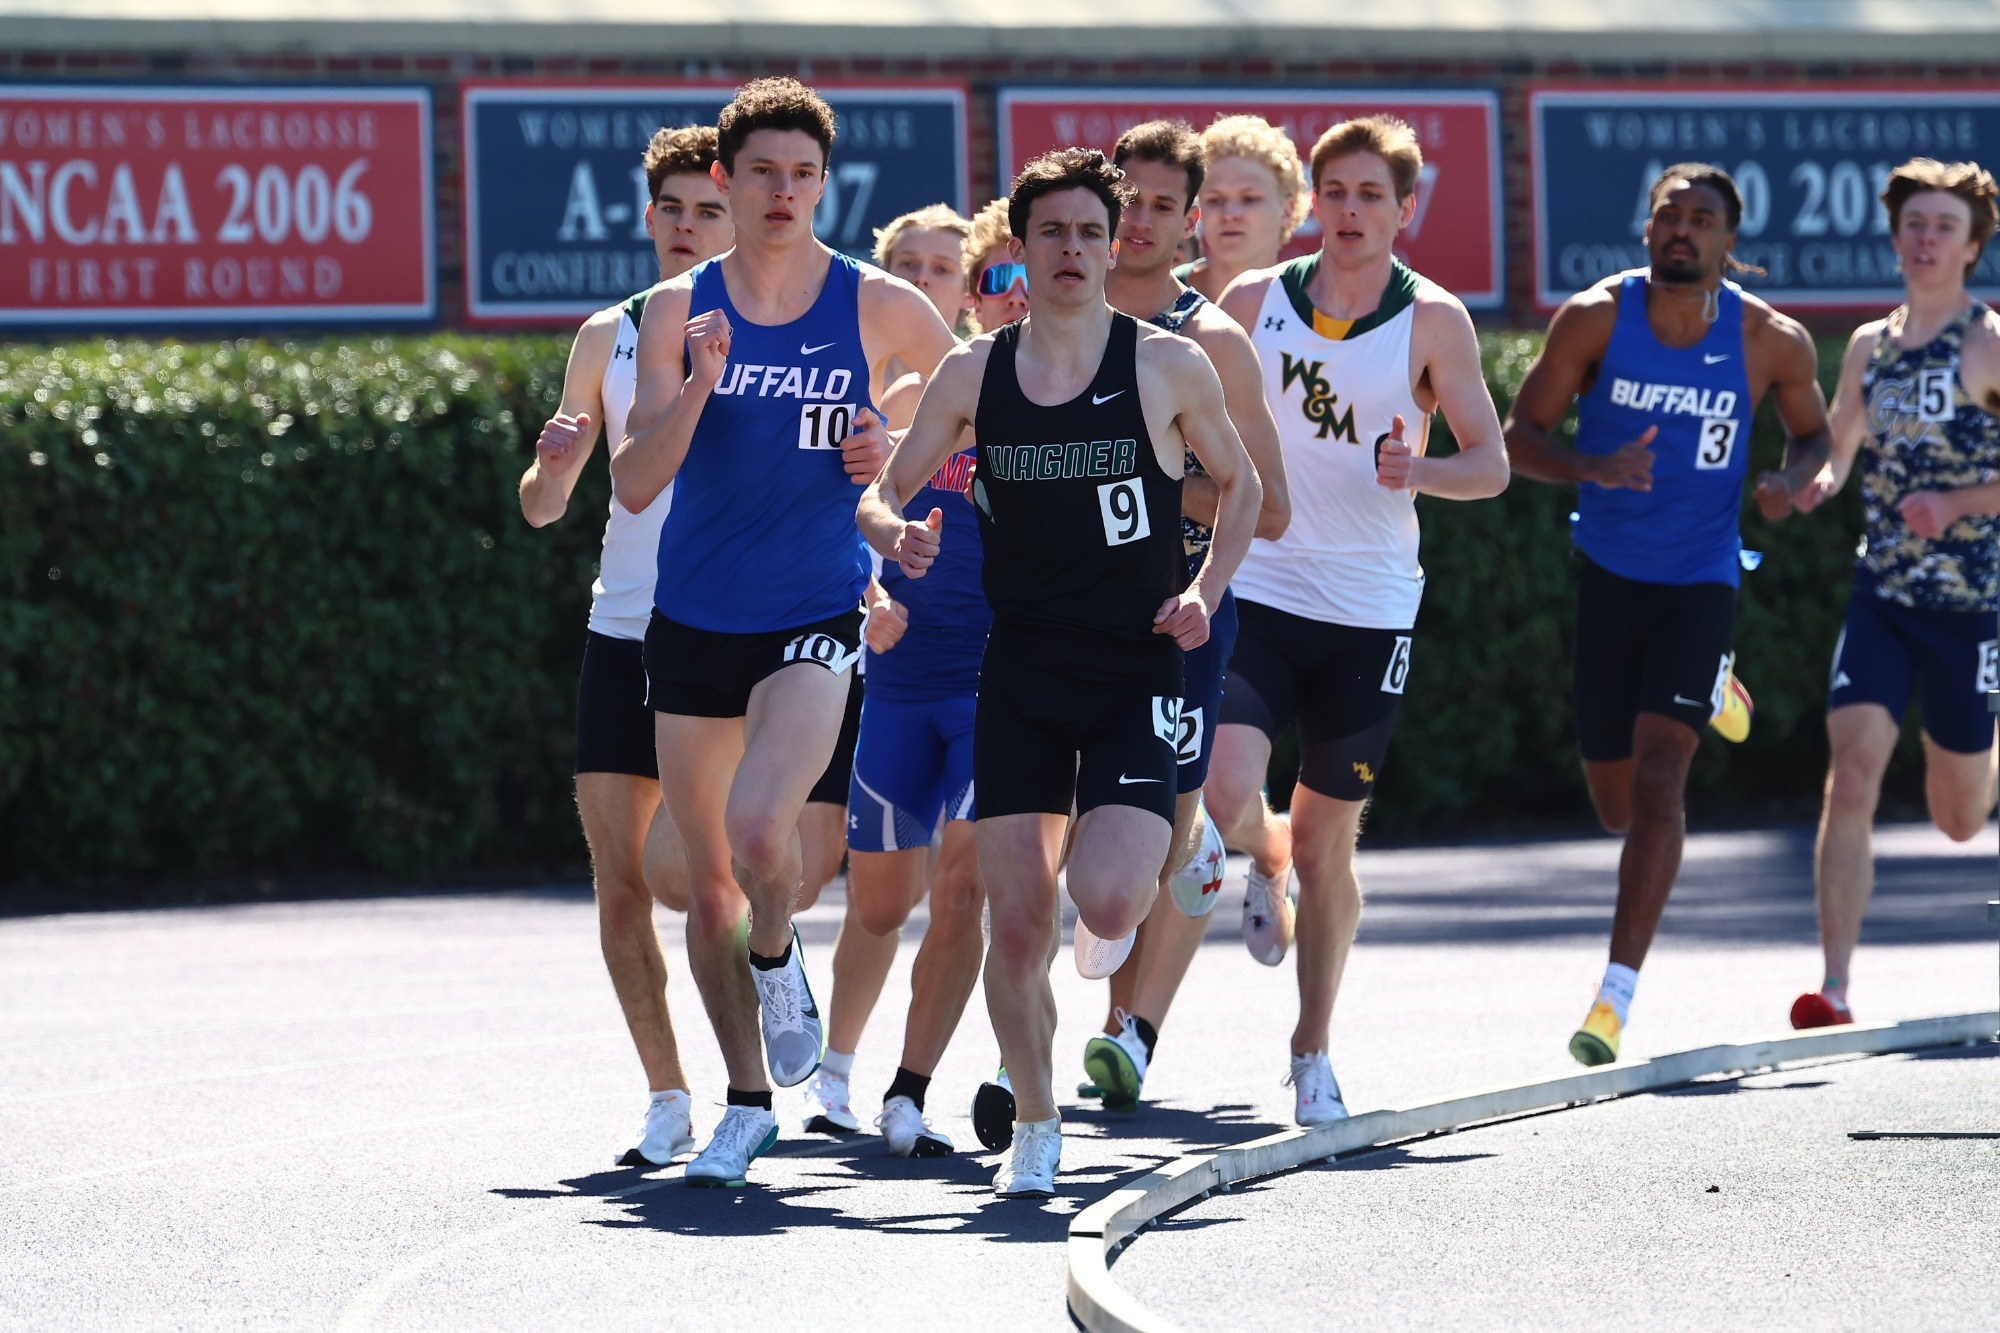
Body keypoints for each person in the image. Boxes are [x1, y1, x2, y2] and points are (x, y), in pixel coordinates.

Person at [860, 147, 1262, 1197]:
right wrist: (893, 534)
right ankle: (1034, 1129)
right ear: (1022, 250)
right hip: (1020, 678)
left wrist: (1204, 592)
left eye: (1092, 231)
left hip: (1135, 671)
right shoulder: (972, 374)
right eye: (1053, 233)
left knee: (1109, 900)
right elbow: (879, 493)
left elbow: (1246, 489)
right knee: (1020, 918)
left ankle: (1177, 824)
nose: (1075, 249)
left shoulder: (1167, 365)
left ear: (1116, 239)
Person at [612, 78, 957, 1188]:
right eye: (760, 171)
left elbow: (960, 398)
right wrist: (698, 391)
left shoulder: (873, 303)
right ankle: (746, 1101)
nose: (781, 192)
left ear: (824, 185)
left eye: (802, 175)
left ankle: (777, 958)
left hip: (813, 611)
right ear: (724, 180)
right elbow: (630, 485)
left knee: (766, 834)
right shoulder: (677, 311)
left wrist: (886, 443)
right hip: (693, 617)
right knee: (704, 880)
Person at [1205, 116, 1510, 1124]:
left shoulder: (1432, 321)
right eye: (1333, 191)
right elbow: (1183, 419)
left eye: (1369, 195)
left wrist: (1413, 468)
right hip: (1261, 586)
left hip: (1369, 611)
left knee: (1332, 844)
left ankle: (1309, 1049)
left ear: (1403, 211)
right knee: (1222, 782)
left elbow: (1490, 465)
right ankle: (1262, 848)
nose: (1347, 211)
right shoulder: (1251, 300)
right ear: (1312, 204)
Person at [1504, 161, 1832, 1065]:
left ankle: (1614, 996)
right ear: (1647, 231)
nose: (1683, 229)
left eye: (1703, 218)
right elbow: (1517, 439)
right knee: (1614, 803)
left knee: (1659, 786)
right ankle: (1718, 685)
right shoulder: (1597, 317)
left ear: (1731, 240)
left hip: (1702, 578)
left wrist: (1790, 479)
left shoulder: (1773, 341)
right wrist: (1589, 467)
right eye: (1669, 215)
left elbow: (1814, 437)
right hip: (1612, 574)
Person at [515, 125, 731, 1169]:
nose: (687, 229)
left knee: (683, 871)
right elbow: (544, 505)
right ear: (648, 220)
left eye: (708, 212)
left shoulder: (769, 330)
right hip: (621, 623)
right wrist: (552, 466)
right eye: (672, 212)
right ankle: (665, 1092)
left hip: (728, 627)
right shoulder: (608, 333)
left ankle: (768, 958)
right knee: (618, 882)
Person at [1078, 118, 1290, 1112]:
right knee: (1062, 828)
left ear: (1190, 219)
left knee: (1143, 838)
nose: (1142, 221)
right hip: (1060, 618)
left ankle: (1121, 1031)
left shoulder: (1211, 341)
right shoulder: (1055, 318)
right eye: (1131, 200)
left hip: (1177, 621)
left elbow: (1267, 504)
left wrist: (1159, 477)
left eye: (1166, 204)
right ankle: (1019, 1051)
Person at [1770, 159, 2000, 1029]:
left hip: (1973, 601)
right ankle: (1834, 986)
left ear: (1973, 245)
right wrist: (1807, 487)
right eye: (1914, 223)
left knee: (1957, 819)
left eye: (1944, 225)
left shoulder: (1988, 343)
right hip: (1885, 594)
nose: (1925, 238)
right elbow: (1839, 446)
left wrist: (1959, 502)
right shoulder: (1871, 344)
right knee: (1852, 771)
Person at [801, 205, 994, 1157]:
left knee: (966, 887)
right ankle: (831, 1073)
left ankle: (910, 1094)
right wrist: (867, 598)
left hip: (996, 685)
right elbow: (834, 524)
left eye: (944, 268)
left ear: (968, 284)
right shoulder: (857, 400)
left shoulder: (1008, 383)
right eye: (906, 266)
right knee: (877, 903)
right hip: (897, 682)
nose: (926, 280)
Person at [1178, 115, 1308, 303]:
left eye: (1249, 199)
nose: (1230, 214)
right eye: (1214, 200)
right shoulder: (1163, 294)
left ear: (1288, 210)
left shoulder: (1314, 306)